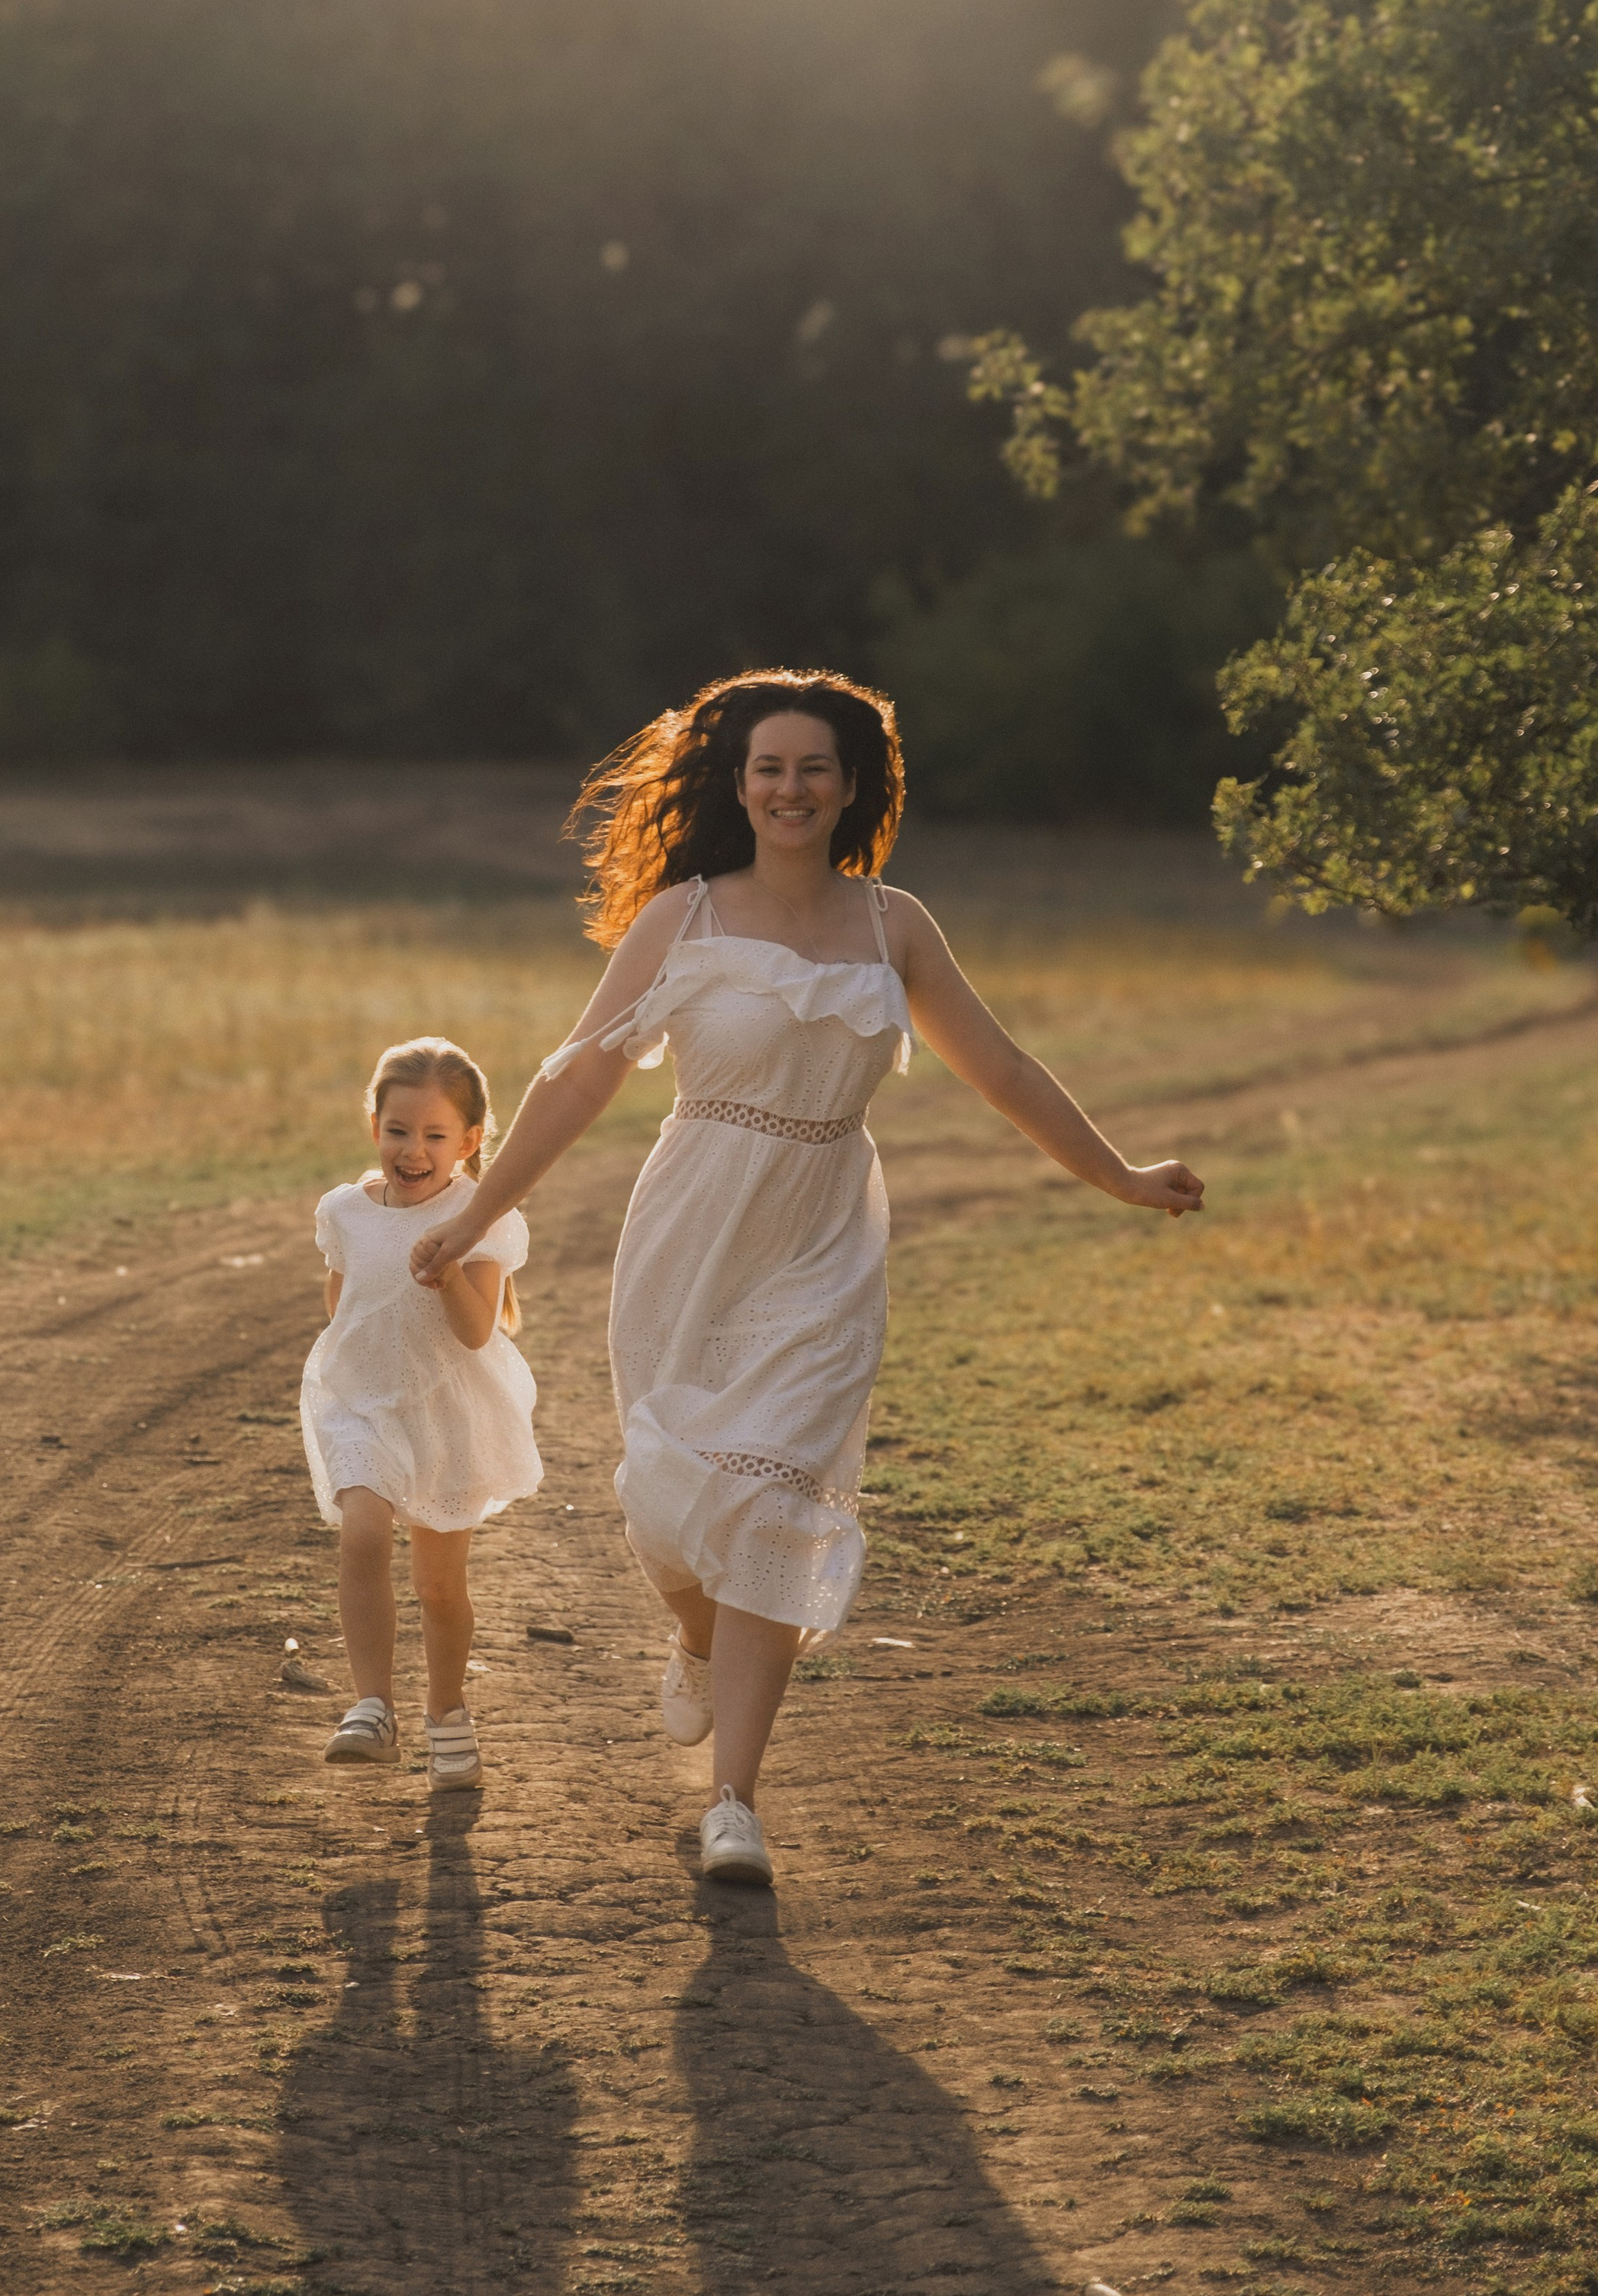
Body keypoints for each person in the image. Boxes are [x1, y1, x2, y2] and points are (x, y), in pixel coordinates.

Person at [412, 671, 1203, 1881]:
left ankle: (735, 1799)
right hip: (691, 1235)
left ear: (852, 788)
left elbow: (1006, 1071)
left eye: (816, 769)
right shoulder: (684, 919)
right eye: (771, 768)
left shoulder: (896, 928)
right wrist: (475, 1215)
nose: (792, 789)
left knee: (775, 1504)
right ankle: (694, 1638)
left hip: (826, 1241)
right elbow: (577, 1079)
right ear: (740, 784)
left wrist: (1121, 1175)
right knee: (671, 1504)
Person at [301, 1034, 538, 1793]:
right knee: (363, 1532)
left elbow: (477, 1331)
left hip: (446, 1414)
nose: (414, 1149)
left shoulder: (481, 1211)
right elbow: (343, 1304)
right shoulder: (343, 1211)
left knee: (440, 1589)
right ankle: (372, 1704)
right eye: (399, 1130)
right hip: (362, 1404)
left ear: (470, 1142)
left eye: (435, 1135)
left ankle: (446, 1711)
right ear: (374, 1125)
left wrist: (447, 1274)